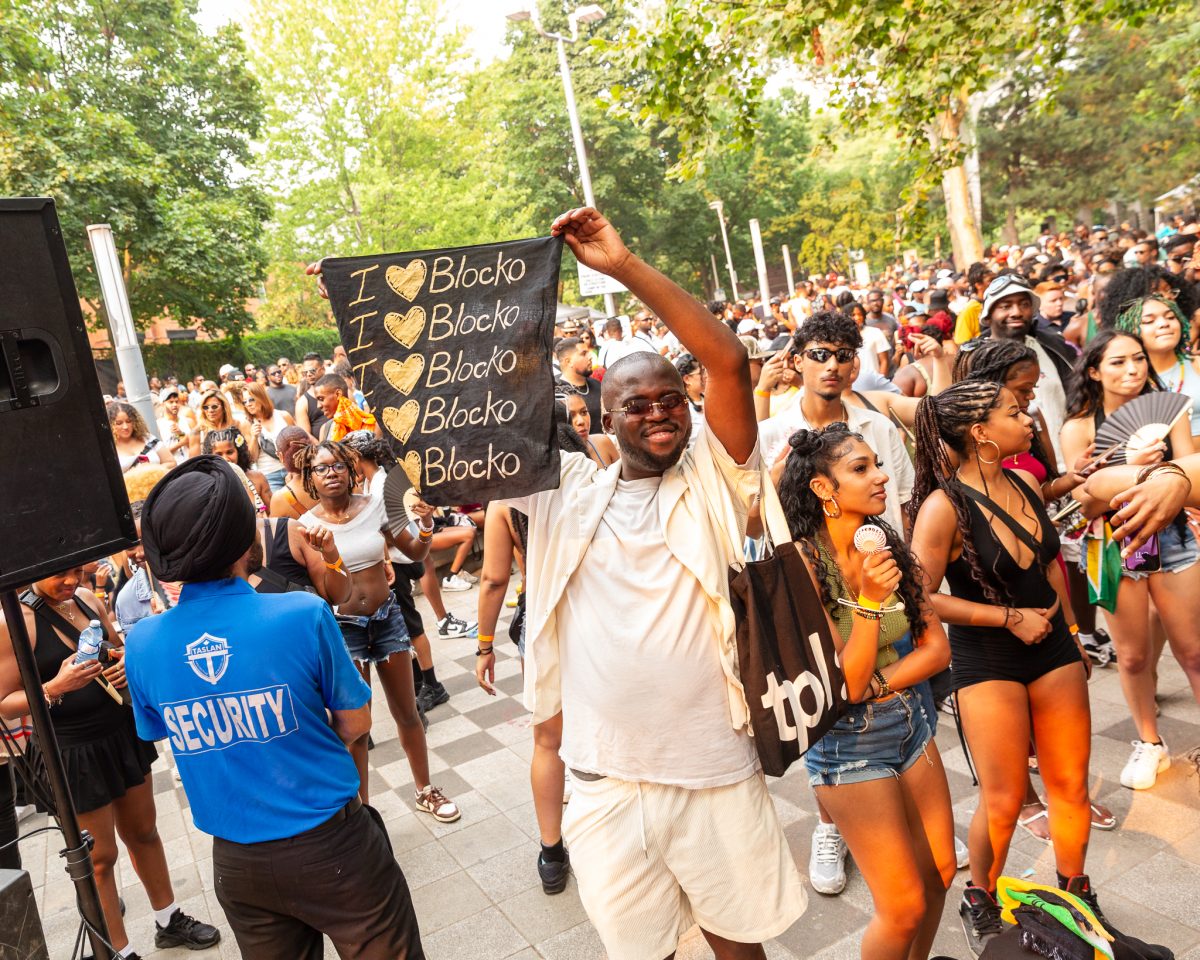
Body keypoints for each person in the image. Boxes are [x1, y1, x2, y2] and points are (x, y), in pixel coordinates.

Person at [498, 207, 806, 959]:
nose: (659, 412)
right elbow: (478, 413)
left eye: (671, 399)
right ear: (606, 417)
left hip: (713, 769)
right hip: (603, 780)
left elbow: (726, 361)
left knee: (739, 946)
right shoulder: (565, 492)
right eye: (636, 404)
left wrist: (622, 266)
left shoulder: (714, 475)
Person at [122, 457, 423, 959]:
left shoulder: (143, 642)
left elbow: (158, 729)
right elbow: (357, 721)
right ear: (243, 539)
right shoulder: (300, 613)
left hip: (238, 864)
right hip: (333, 846)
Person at [909, 380, 1096, 958]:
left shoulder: (1026, 482)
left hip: (1052, 648)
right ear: (980, 432)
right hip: (988, 657)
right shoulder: (943, 507)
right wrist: (1008, 618)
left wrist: (1072, 634)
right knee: (1005, 798)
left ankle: (1074, 892)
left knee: (1070, 784)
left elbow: (1049, 566)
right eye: (1014, 412)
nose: (1029, 417)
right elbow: (920, 596)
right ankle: (980, 897)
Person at [778, 424, 955, 960]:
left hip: (911, 722)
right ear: (823, 488)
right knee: (901, 908)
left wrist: (879, 683)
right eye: (861, 468)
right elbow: (846, 685)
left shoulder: (886, 543)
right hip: (848, 745)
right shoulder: (802, 564)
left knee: (940, 874)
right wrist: (872, 602)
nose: (880, 476)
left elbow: (936, 650)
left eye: (877, 463)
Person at [1, 567, 220, 958]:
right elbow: (3, 702)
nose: (71, 581)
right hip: (72, 750)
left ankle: (168, 919)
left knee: (144, 832)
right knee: (99, 859)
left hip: (120, 732)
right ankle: (118, 951)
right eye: (60, 574)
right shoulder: (15, 621)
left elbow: (118, 648)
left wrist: (122, 662)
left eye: (77, 571)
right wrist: (54, 687)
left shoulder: (86, 599)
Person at [1061, 330, 1200, 791]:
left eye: (1138, 359)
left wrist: (1163, 475)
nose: (1133, 369)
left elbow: (1189, 478)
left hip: (1174, 536)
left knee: (1193, 651)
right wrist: (1126, 463)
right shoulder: (1079, 428)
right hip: (1109, 544)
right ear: (1095, 371)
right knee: (1134, 656)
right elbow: (1084, 505)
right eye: (1118, 362)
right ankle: (1149, 742)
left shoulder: (1172, 409)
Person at [296, 441, 459, 823]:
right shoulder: (306, 525)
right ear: (310, 478)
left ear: (351, 469)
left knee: (407, 712)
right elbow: (323, 591)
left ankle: (425, 790)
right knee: (358, 726)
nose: (331, 473)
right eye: (322, 468)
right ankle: (363, 812)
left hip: (387, 618)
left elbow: (414, 552)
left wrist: (425, 525)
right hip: (344, 630)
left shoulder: (375, 506)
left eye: (338, 465)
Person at [476, 419, 596, 895]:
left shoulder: (504, 503)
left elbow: (493, 580)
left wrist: (485, 646)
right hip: (595, 611)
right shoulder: (594, 477)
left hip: (541, 618)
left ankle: (551, 850)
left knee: (548, 738)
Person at [759, 312, 914, 534]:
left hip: (885, 552)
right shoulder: (771, 434)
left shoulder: (880, 427)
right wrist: (774, 484)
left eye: (843, 355)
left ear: (853, 364)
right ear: (798, 362)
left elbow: (906, 506)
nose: (832, 365)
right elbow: (754, 529)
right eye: (820, 355)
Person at [340, 431, 450, 713]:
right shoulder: (372, 483)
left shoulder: (380, 487)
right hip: (393, 561)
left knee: (412, 627)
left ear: (356, 457)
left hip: (399, 562)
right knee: (404, 627)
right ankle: (418, 682)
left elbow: (393, 533)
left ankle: (432, 684)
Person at [970, 274, 1074, 469]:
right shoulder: (976, 360)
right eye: (1005, 306)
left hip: (1067, 464)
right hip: (1014, 471)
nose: (1016, 312)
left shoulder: (1053, 346)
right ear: (988, 315)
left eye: (1024, 305)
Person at [1114, 292, 1200, 441]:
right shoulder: (1126, 379)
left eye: (1170, 317)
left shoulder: (1197, 364)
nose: (1164, 323)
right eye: (1148, 321)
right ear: (1130, 331)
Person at [244, 381, 296, 491]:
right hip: (269, 474)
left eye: (251, 399)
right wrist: (254, 437)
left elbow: (298, 443)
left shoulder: (283, 415)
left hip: (291, 469)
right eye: (245, 401)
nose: (248, 404)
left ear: (261, 397)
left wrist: (293, 469)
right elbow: (252, 458)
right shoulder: (247, 425)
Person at [203, 426, 272, 509]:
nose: (225, 458)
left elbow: (272, 512)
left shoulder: (258, 478)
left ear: (239, 452)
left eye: (229, 452)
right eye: (219, 454)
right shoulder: (208, 484)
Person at [108, 400, 176, 471]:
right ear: (110, 425)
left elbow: (171, 463)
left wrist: (151, 471)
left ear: (135, 421)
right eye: (119, 423)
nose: (125, 427)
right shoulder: (109, 449)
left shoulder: (148, 438)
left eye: (129, 421)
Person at [188, 388, 253, 458]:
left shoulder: (239, 425)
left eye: (214, 406)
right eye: (206, 407)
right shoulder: (197, 433)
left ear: (224, 407)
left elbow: (250, 455)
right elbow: (194, 463)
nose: (210, 410)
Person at [553, 336, 603, 426]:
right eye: (584, 353)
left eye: (588, 352)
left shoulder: (598, 386)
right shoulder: (555, 392)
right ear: (568, 361)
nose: (590, 357)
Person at [560, 392, 618, 467]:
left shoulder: (603, 443)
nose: (581, 421)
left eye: (584, 412)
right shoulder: (558, 459)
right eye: (571, 416)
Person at [953, 262, 996, 345]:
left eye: (995, 279)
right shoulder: (969, 310)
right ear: (978, 285)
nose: (995, 283)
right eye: (990, 280)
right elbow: (962, 343)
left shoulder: (997, 305)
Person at [295, 352, 332, 438]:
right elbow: (306, 435)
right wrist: (323, 445)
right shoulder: (302, 403)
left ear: (322, 369)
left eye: (312, 371)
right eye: (305, 372)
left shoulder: (338, 389)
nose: (308, 374)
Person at [156, 385, 195, 461]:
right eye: (171, 402)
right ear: (163, 404)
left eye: (176, 402)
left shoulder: (188, 421)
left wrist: (180, 434)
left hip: (191, 463)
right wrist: (180, 444)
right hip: (174, 466)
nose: (175, 405)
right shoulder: (158, 425)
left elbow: (195, 446)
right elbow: (160, 455)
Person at [674, 351, 707, 435]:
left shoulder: (707, 397)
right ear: (687, 379)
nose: (706, 376)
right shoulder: (684, 410)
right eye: (701, 372)